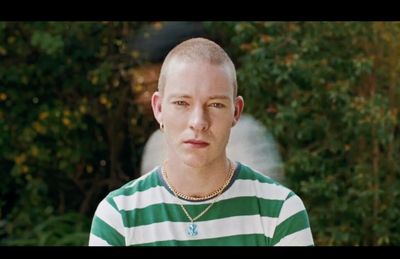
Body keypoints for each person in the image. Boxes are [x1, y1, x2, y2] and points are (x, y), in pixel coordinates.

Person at [89, 37, 314, 246]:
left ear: (236, 112)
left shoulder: (281, 211)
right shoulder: (117, 215)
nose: (198, 122)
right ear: (158, 108)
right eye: (181, 103)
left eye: (215, 104)